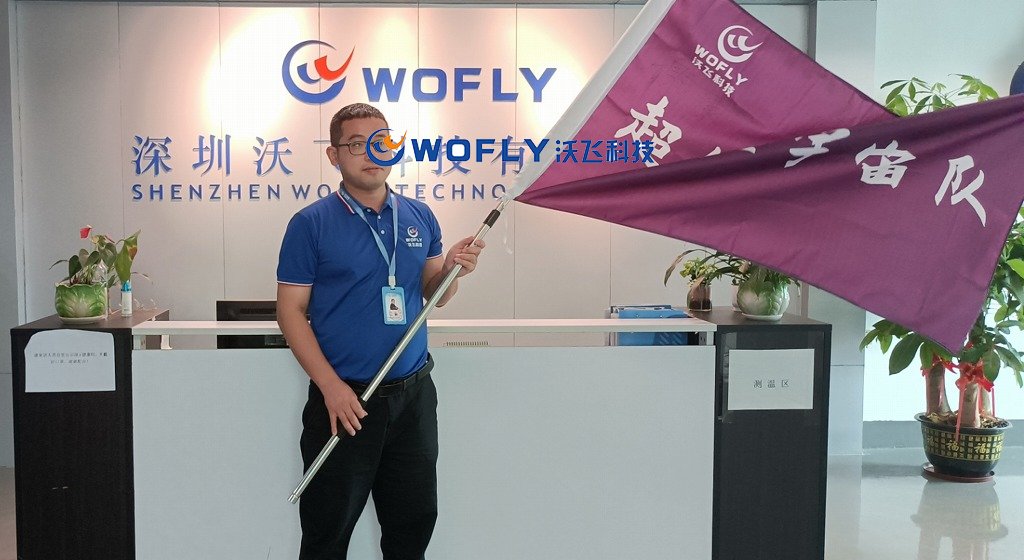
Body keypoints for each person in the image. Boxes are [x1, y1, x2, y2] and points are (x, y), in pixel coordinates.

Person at [276, 102, 485, 559]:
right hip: (345, 402)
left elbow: (433, 296)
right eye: (356, 144)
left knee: (412, 528)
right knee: (327, 533)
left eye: (381, 142)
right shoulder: (311, 224)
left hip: (413, 398)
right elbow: (290, 312)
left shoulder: (419, 215)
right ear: (334, 156)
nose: (372, 153)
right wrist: (330, 388)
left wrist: (452, 270)